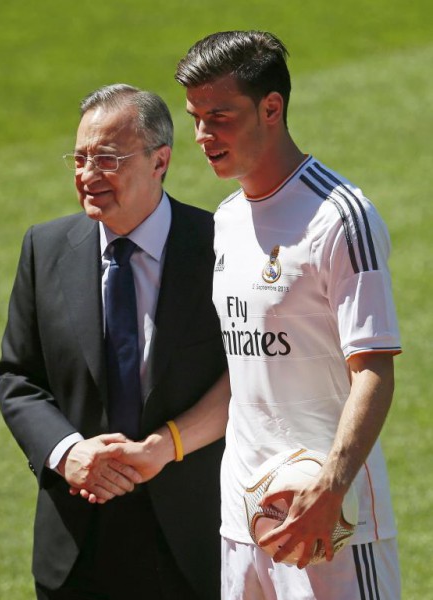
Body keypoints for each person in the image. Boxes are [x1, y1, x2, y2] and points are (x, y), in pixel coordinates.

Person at [174, 31, 402, 599]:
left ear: (271, 108)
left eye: (219, 117)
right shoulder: (227, 221)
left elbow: (373, 369)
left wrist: (331, 486)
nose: (202, 136)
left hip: (333, 522)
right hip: (243, 522)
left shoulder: (339, 218)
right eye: (195, 118)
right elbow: (246, 371)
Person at [0, 83, 230, 600]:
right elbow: (17, 378)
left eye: (107, 159)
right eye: (79, 159)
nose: (87, 175)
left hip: (191, 542)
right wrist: (67, 452)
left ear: (160, 161)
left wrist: (164, 446)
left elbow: (247, 376)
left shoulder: (221, 248)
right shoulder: (43, 248)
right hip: (76, 543)